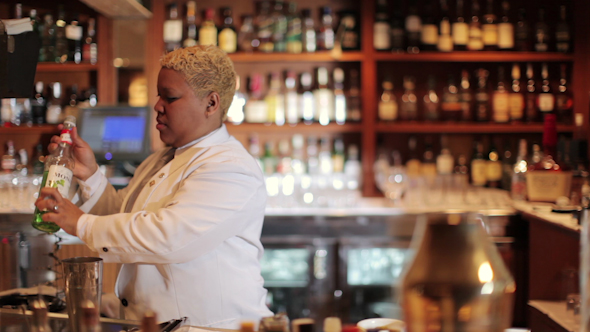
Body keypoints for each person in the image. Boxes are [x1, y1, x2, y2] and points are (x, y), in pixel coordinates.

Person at [35, 45, 273, 328]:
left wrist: (81, 224)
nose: (158, 106)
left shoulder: (230, 167)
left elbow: (168, 235)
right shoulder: (162, 158)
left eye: (170, 97)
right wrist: (89, 175)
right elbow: (123, 214)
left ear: (211, 104)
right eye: (159, 96)